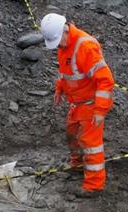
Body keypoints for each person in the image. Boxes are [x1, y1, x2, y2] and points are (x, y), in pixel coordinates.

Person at [40, 13, 114, 196]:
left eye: (58, 41)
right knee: (72, 135)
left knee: (91, 144)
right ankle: (78, 165)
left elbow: (106, 81)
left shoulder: (85, 46)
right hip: (77, 103)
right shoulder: (63, 45)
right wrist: (59, 89)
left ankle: (94, 185)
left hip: (91, 103)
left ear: (65, 29)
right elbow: (65, 72)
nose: (58, 46)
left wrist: (100, 110)